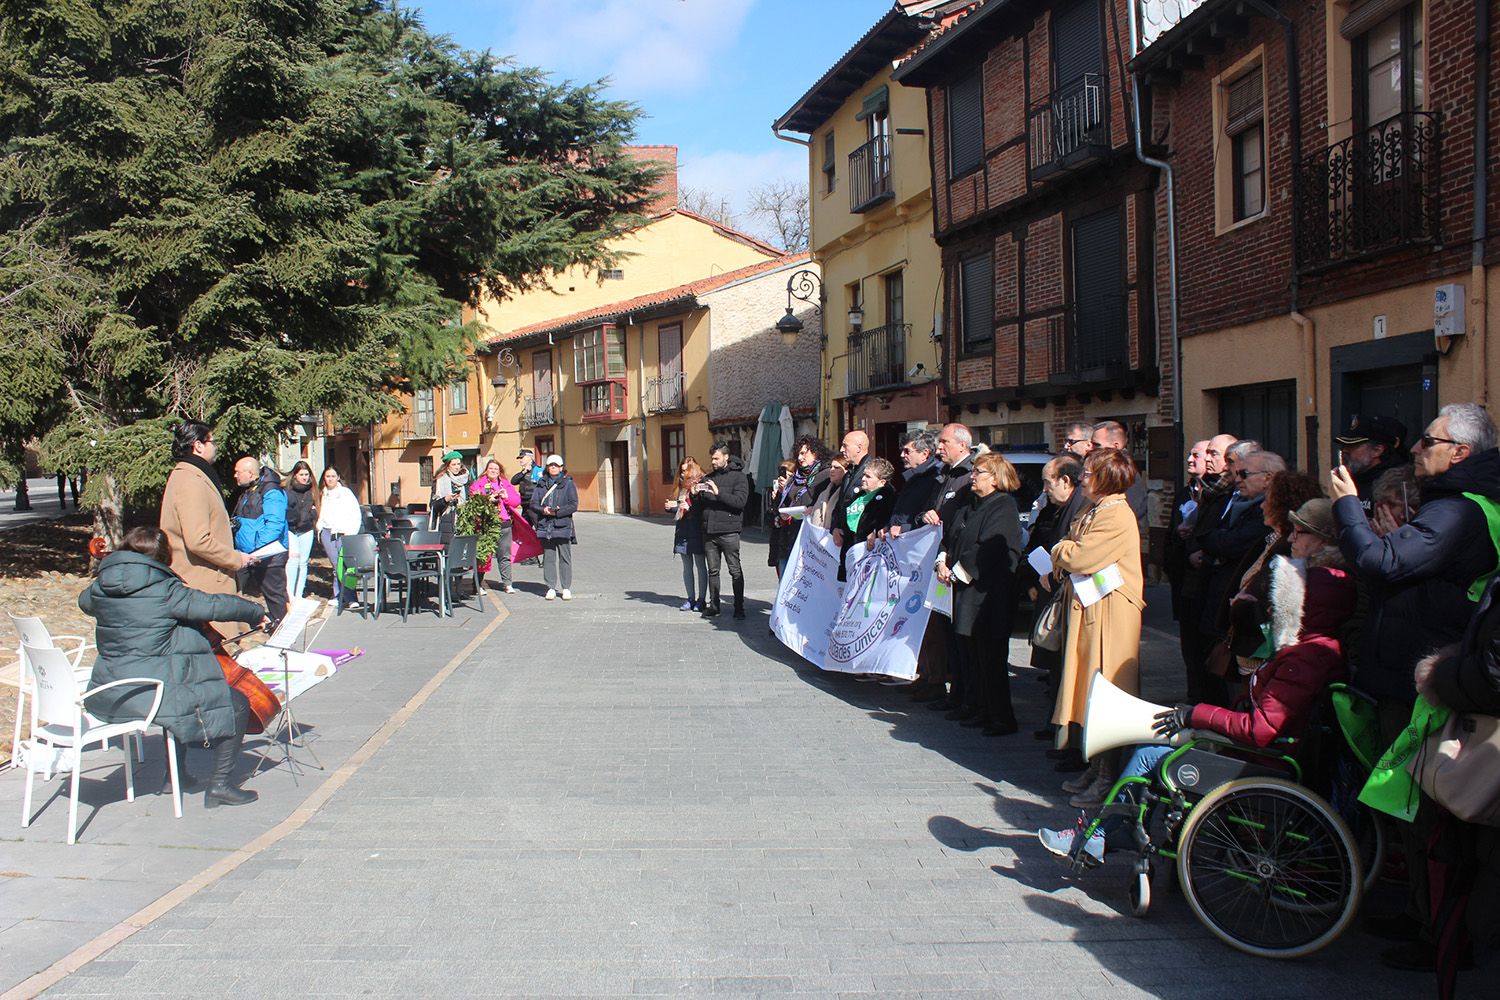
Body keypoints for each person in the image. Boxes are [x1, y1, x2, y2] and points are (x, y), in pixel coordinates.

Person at [1039, 510, 1355, 860]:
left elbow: (1261, 729)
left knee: (1148, 755)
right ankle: (1110, 832)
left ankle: (1107, 834)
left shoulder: (1304, 658)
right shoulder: (1311, 651)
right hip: (1260, 752)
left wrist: (1197, 716)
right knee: (1150, 752)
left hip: (1262, 758)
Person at [1330, 402, 1500, 971]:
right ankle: (1424, 914)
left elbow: (1381, 561)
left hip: (1429, 683)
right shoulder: (1451, 507)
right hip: (1408, 669)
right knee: (1412, 810)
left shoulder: (1460, 512)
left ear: (1461, 453)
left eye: (1430, 440)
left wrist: (1347, 508)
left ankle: (1443, 935)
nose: (1418, 448)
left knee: (1432, 816)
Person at [80, 526, 268, 807]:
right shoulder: (164, 589)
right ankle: (220, 785)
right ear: (164, 557)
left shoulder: (100, 587)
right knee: (237, 703)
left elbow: (84, 602)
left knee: (179, 686)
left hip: (112, 689)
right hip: (151, 691)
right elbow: (213, 605)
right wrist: (255, 612)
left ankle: (175, 776)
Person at [1050, 448, 1146, 804]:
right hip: (1091, 611)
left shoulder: (1117, 514)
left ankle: (1109, 775)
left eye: (1089, 472)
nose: (1083, 478)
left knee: (1107, 692)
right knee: (1088, 692)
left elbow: (1080, 555)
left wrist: (1062, 551)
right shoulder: (1095, 509)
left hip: (1110, 617)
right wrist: (1067, 551)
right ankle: (1096, 766)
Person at [936, 452, 1023, 734]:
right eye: (973, 472)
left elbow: (992, 549)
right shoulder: (971, 504)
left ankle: (999, 715)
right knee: (969, 653)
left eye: (979, 473)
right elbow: (952, 536)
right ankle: (974, 705)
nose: (972, 477)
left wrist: (959, 570)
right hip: (964, 592)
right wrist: (942, 560)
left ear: (995, 479)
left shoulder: (1003, 506)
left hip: (988, 595)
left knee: (990, 657)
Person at [159, 422, 256, 638]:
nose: (216, 447)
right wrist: (235, 558)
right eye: (212, 442)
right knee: (218, 658)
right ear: (198, 446)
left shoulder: (196, 474)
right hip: (203, 584)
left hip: (210, 580)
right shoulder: (189, 480)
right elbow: (197, 539)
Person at [1025, 455, 1088, 739]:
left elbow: (1074, 552)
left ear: (1065, 481)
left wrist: (1051, 575)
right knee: (1054, 668)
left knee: (1064, 668)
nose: (1045, 489)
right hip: (1050, 588)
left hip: (1066, 594)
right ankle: (1055, 725)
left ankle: (1064, 731)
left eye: (1048, 483)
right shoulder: (1059, 507)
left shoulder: (1081, 508)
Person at [925, 423, 976, 715]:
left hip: (957, 566)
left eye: (944, 442)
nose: (939, 447)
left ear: (961, 445)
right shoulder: (944, 475)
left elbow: (964, 523)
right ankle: (953, 692)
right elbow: (930, 509)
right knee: (946, 633)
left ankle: (962, 694)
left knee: (959, 638)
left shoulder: (966, 476)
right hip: (941, 561)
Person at [231, 457, 289, 627]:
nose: (235, 475)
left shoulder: (271, 492)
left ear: (250, 473)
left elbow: (274, 525)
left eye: (238, 472)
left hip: (268, 557)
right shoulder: (250, 490)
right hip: (246, 555)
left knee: (276, 599)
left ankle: (285, 637)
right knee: (233, 590)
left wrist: (257, 551)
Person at [696, 442, 750, 620]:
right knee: (713, 571)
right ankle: (714, 605)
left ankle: (739, 607)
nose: (713, 461)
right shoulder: (708, 477)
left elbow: (740, 502)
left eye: (716, 458)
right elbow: (700, 506)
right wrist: (696, 494)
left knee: (735, 570)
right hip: (710, 531)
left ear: (726, 457)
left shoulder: (739, 478)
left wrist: (718, 493)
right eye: (711, 458)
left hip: (729, 531)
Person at [1335, 413, 1408, 518]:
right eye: (1344, 445)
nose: (1345, 450)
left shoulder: (1393, 485)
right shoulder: (1350, 478)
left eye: (1353, 445)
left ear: (1377, 450)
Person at [839, 457, 898, 581]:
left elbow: (887, 520)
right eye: (863, 475)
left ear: (882, 482)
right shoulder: (859, 495)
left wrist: (876, 530)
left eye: (868, 476)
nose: (863, 479)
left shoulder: (889, 498)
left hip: (871, 558)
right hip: (851, 553)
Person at [529, 454, 578, 601]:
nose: (553, 467)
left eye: (556, 465)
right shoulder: (541, 483)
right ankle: (550, 587)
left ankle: (566, 588)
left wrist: (557, 512)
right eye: (551, 465)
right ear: (547, 467)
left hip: (562, 525)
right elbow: (533, 503)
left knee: (565, 558)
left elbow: (573, 505)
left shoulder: (568, 483)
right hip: (545, 526)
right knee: (549, 558)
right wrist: (543, 510)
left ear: (561, 468)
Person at [470, 458, 523, 594]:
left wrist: (505, 497)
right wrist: (487, 499)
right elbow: (474, 501)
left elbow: (516, 501)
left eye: (496, 469)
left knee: (504, 555)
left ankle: (507, 583)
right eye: (490, 468)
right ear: (486, 471)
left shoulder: (505, 484)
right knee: (484, 555)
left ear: (499, 472)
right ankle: (477, 584)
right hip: (486, 525)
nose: (493, 471)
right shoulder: (478, 484)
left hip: (504, 524)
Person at [315, 465, 363, 609]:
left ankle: (351, 597)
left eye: (333, 476)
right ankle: (338, 595)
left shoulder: (345, 493)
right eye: (328, 476)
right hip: (327, 532)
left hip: (344, 532)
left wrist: (351, 532)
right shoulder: (322, 493)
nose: (330, 479)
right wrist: (320, 527)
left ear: (338, 477)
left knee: (347, 566)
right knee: (336, 566)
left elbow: (355, 513)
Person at [1089, 420, 1147, 531]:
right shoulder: (1106, 471)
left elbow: (1127, 516)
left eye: (1096, 445)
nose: (1091, 449)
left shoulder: (1126, 475)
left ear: (1116, 446)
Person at [667, 458, 708, 611]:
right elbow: (678, 506)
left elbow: (705, 508)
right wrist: (671, 507)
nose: (683, 473)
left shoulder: (701, 484)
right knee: (686, 566)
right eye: (682, 470)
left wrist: (690, 508)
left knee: (700, 564)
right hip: (683, 528)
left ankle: (702, 599)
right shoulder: (681, 486)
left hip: (696, 528)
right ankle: (690, 598)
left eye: (686, 470)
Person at [886, 430, 942, 538]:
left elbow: (928, 516)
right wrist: (888, 527)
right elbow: (900, 513)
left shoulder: (935, 479)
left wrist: (903, 528)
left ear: (924, 454)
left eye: (907, 451)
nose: (902, 455)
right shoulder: (913, 477)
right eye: (902, 450)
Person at [830, 430, 871, 550]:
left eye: (845, 446)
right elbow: (840, 505)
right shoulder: (850, 472)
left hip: (861, 541)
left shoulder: (873, 471)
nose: (841, 450)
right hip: (847, 540)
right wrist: (836, 527)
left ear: (859, 448)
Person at [283, 461, 318, 602]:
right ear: (295, 475)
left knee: (303, 562)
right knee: (293, 560)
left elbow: (315, 508)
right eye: (301, 474)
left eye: (307, 475)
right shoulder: (287, 491)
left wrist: (313, 516)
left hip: (306, 529)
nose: (304, 477)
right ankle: (289, 593)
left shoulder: (311, 491)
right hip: (291, 529)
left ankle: (299, 593)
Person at [766, 459, 800, 578]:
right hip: (780, 543)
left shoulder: (798, 490)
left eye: (788, 475)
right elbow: (770, 520)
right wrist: (777, 497)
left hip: (793, 541)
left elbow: (798, 508)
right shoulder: (779, 493)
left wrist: (788, 491)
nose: (783, 478)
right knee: (782, 580)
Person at [430, 451, 471, 539]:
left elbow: (471, 499)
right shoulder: (440, 480)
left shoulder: (466, 480)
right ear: (448, 465)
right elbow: (433, 506)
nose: (457, 467)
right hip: (446, 522)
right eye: (454, 464)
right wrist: (445, 499)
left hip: (464, 521)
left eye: (458, 464)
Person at [806, 457, 848, 529]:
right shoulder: (824, 490)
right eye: (831, 467)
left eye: (836, 468)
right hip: (819, 533)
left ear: (846, 471)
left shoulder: (846, 491)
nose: (832, 470)